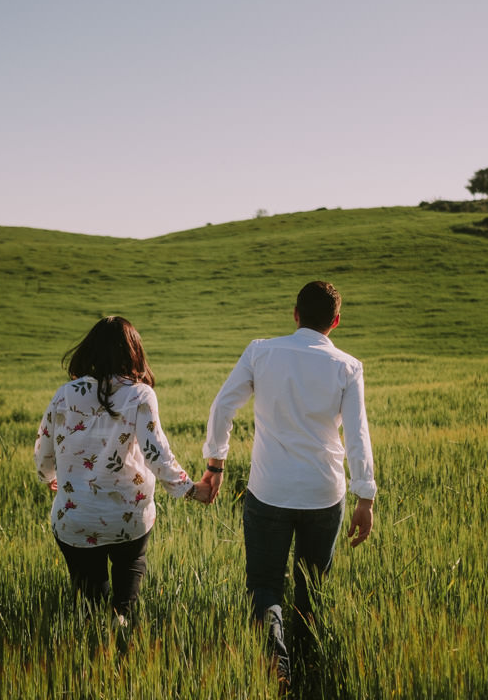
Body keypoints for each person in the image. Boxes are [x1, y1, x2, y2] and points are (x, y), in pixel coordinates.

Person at [200, 281, 376, 688]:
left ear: (294, 314)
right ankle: (311, 666)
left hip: (269, 491)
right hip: (323, 494)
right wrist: (364, 495)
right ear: (335, 321)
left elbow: (223, 405)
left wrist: (216, 462)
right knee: (311, 587)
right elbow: (358, 434)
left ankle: (276, 668)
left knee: (264, 585)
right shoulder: (348, 367)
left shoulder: (261, 351)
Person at [35, 316, 211, 623]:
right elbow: (157, 453)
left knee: (89, 604)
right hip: (127, 518)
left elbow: (44, 448)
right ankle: (121, 626)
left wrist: (49, 477)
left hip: (75, 518)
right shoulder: (140, 394)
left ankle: (92, 646)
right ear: (134, 352)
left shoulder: (65, 393)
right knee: (125, 594)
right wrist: (191, 489)